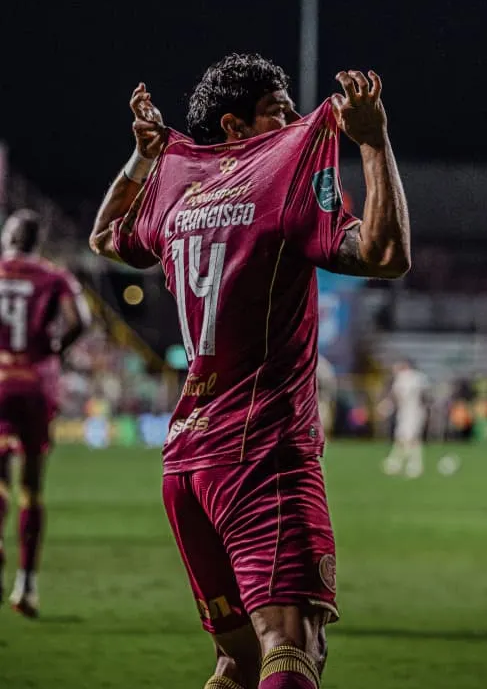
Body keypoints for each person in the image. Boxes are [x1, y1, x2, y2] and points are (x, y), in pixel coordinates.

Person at [89, 54, 410, 689]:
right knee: (293, 649)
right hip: (263, 451)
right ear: (235, 127)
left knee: (235, 662)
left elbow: (105, 237)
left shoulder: (179, 189)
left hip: (186, 464)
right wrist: (373, 142)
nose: (294, 120)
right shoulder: (276, 186)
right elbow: (386, 254)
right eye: (278, 110)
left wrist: (142, 160)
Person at [0, 209, 90, 617]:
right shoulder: (55, 276)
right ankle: (27, 587)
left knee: (0, 481)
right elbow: (80, 321)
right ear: (36, 243)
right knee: (32, 489)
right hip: (36, 384)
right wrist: (53, 349)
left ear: (9, 238)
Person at [380, 359, 429, 478]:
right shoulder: (419, 377)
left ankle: (410, 465)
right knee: (405, 439)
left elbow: (397, 396)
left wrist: (385, 407)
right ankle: (400, 463)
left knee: (408, 439)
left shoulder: (403, 378)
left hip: (409, 412)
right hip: (416, 411)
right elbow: (425, 395)